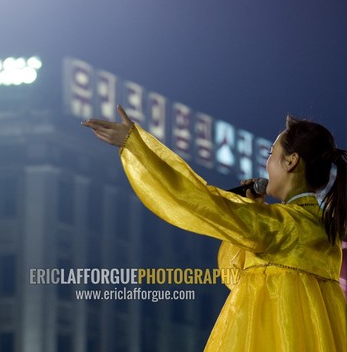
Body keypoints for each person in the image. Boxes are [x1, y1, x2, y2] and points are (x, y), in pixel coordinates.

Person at [83, 105, 347, 352]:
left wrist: (136, 145)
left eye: (271, 154)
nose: (267, 163)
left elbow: (197, 200)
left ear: (291, 162)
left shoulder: (280, 226)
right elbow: (236, 272)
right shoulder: (326, 232)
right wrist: (255, 211)